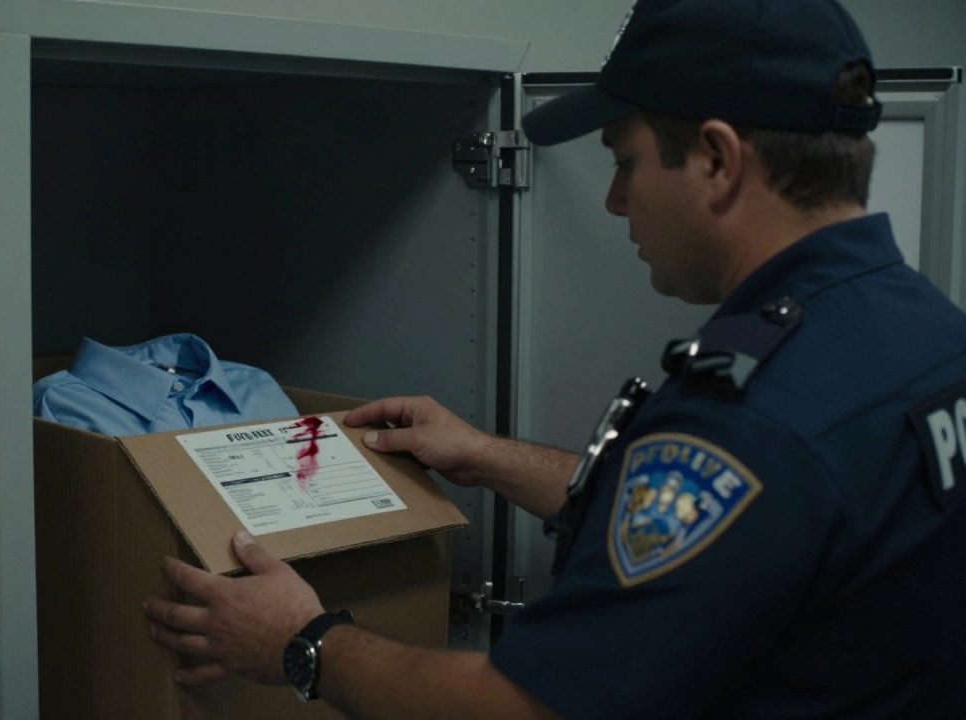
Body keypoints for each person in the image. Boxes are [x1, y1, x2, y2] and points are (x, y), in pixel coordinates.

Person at [143, 0, 966, 716]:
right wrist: (486, 457)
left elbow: (531, 710)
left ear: (717, 161)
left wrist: (305, 641)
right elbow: (756, 530)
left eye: (624, 160)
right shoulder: (923, 334)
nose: (614, 199)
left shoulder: (757, 416)